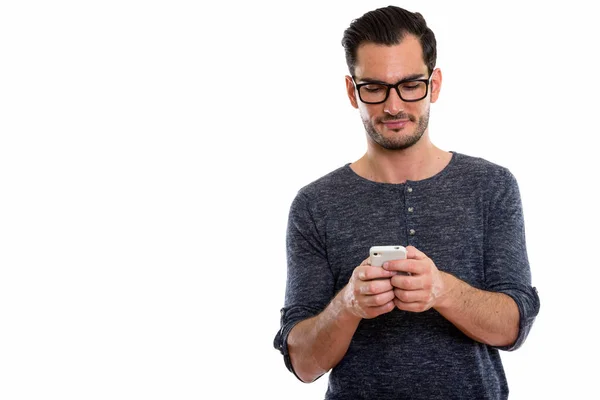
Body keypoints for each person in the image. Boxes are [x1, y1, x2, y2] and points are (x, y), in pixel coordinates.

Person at [273, 5, 540, 400]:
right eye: (375, 88)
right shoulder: (316, 204)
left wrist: (443, 291)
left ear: (434, 84)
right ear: (352, 92)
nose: (394, 105)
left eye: (410, 84)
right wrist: (348, 305)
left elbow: (514, 328)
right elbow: (303, 363)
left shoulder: (491, 186)